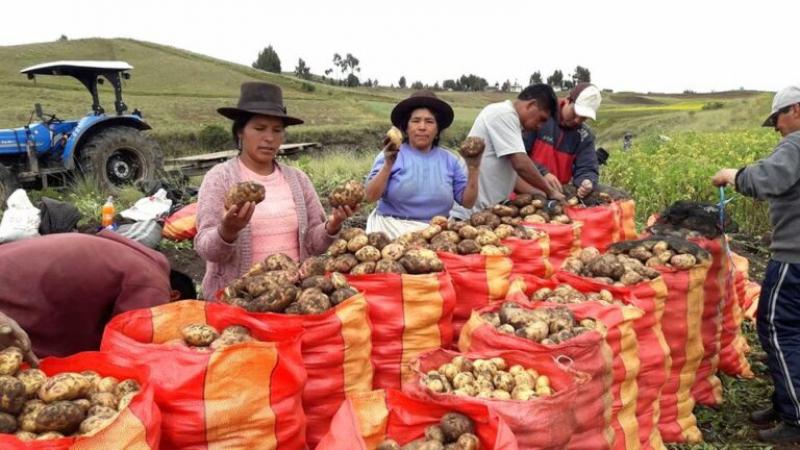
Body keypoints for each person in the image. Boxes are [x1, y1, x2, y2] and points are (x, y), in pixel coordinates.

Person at [195, 82, 355, 298]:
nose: (269, 138)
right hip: (237, 300)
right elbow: (206, 249)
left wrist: (333, 224)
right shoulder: (220, 178)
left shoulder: (298, 179)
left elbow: (314, 245)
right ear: (241, 131)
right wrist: (228, 231)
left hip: (291, 298)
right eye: (259, 128)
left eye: (277, 130)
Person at [712, 84, 800, 444]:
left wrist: (733, 175)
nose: (777, 127)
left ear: (795, 110)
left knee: (778, 330)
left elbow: (767, 179)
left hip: (794, 259)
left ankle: (794, 419)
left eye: (777, 119)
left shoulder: (796, 143)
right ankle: (784, 403)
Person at [0, 230, 195, 358]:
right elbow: (127, 346)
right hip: (14, 286)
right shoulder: (153, 284)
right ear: (174, 297)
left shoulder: (139, 258)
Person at [365, 90, 480, 238]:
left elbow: (468, 202)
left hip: (437, 233)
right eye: (416, 121)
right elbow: (370, 196)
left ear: (438, 130)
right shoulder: (391, 154)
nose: (422, 127)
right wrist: (388, 165)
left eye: (429, 121)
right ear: (406, 127)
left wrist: (474, 168)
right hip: (391, 231)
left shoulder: (450, 160)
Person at [451, 84, 564, 219]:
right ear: (531, 105)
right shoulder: (503, 114)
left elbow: (511, 176)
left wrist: (540, 194)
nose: (540, 126)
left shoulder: (514, 125)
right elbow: (520, 164)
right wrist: (550, 191)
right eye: (542, 119)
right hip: (469, 214)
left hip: (488, 215)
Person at [518, 83, 602, 198]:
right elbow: (518, 153)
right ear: (568, 100)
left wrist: (587, 181)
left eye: (583, 118)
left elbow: (587, 167)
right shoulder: (541, 116)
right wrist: (542, 173)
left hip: (556, 196)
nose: (577, 120)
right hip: (521, 192)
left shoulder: (585, 136)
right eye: (575, 113)